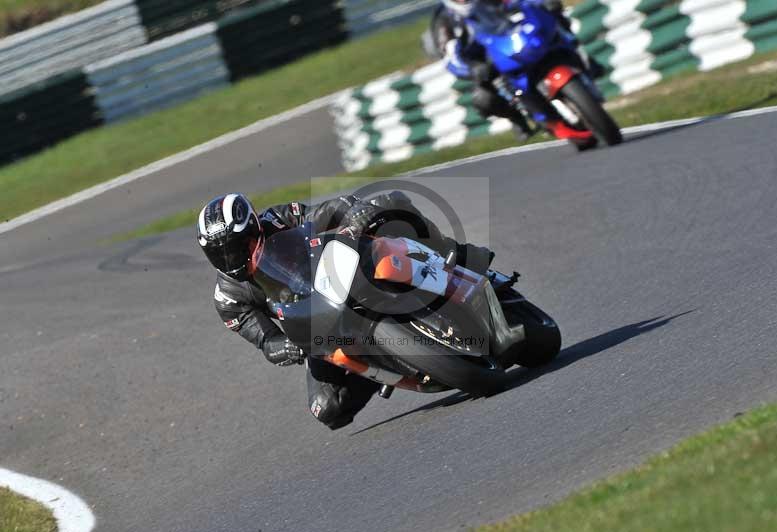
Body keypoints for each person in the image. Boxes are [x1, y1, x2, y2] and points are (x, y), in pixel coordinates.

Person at [197, 191, 493, 430]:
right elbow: (264, 339)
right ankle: (386, 366)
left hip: (341, 273)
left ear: (253, 226)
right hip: (314, 323)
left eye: (235, 246)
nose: (230, 257)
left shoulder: (279, 219)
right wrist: (281, 347)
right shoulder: (228, 297)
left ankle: (455, 254)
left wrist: (354, 213)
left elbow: (327, 211)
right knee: (327, 408)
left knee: (389, 202)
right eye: (218, 252)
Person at [440, 0, 596, 138]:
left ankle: (583, 58)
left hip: (519, 37)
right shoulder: (447, 20)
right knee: (484, 98)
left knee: (554, 16)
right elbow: (450, 56)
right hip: (490, 60)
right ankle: (518, 118)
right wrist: (472, 68)